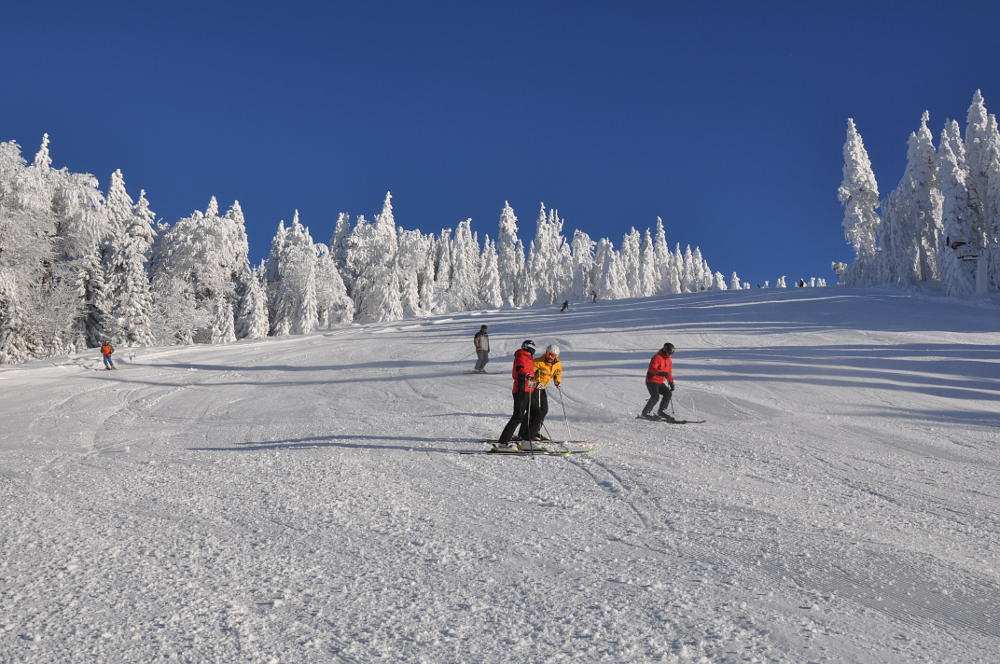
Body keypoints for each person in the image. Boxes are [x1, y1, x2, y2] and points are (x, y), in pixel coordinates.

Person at [495, 340, 538, 451]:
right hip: (521, 390)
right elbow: (520, 370)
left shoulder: (529, 357)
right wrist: (525, 377)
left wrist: (534, 381)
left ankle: (525, 440)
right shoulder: (521, 355)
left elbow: (529, 372)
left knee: (536, 413)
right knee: (518, 416)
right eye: (532, 347)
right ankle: (502, 443)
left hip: (529, 390)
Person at [520, 344, 562, 442]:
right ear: (546, 352)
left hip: (543, 388)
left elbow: (558, 372)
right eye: (550, 354)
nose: (551, 357)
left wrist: (557, 381)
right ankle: (526, 433)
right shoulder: (538, 362)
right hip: (535, 388)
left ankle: (534, 431)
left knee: (544, 410)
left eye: (554, 355)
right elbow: (530, 374)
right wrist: (535, 382)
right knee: (536, 411)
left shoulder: (557, 364)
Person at [640, 342, 675, 420]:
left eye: (671, 353)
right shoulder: (657, 357)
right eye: (669, 353)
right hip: (651, 380)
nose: (670, 355)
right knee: (655, 397)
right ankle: (645, 413)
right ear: (665, 350)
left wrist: (671, 382)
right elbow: (652, 369)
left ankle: (661, 411)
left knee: (668, 393)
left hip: (659, 381)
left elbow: (668, 373)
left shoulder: (669, 360)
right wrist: (661, 373)